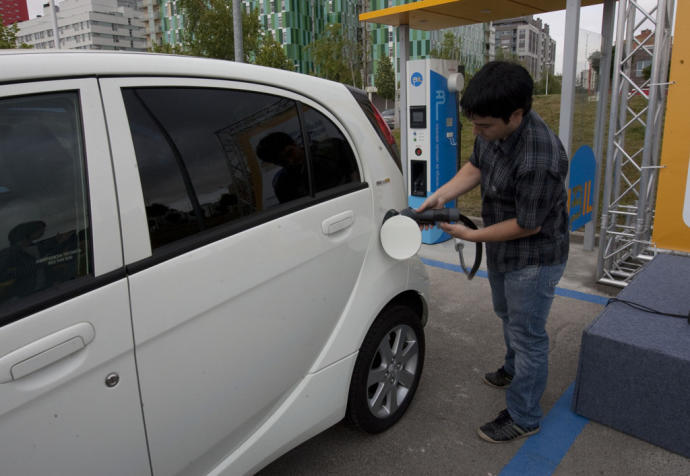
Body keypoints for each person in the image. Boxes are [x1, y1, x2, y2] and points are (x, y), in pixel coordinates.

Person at [417, 61, 569, 443]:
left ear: (516, 115)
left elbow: (528, 224)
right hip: (503, 250)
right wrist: (439, 196)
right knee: (507, 314)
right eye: (474, 124)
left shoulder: (540, 157)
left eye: (484, 126)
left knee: (528, 332)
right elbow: (475, 166)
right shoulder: (490, 127)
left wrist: (472, 236)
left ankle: (524, 415)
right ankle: (513, 368)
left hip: (534, 257)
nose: (478, 132)